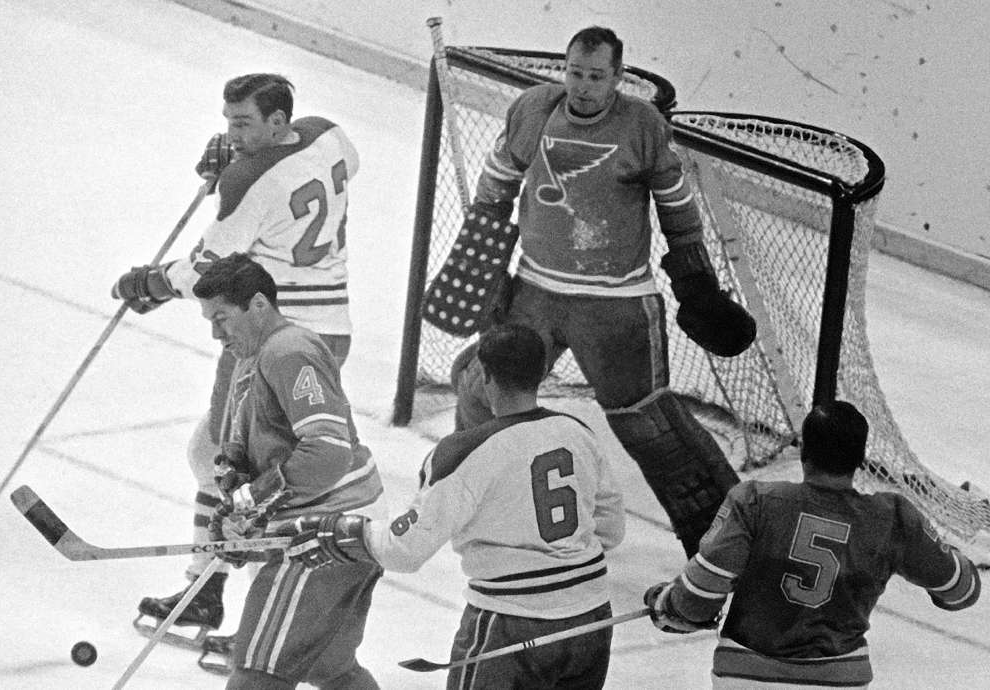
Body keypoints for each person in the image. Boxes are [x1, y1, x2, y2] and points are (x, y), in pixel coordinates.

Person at [443, 26, 756, 559]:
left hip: (616, 305)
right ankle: (474, 500)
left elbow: (678, 210)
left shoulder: (642, 126)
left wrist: (695, 281)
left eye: (596, 76)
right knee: (480, 385)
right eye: (575, 73)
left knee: (649, 425)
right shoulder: (533, 111)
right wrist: (484, 260)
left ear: (617, 76)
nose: (583, 86)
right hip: (536, 291)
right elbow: (496, 189)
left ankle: (728, 541)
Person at [110, 72, 360, 641]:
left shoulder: (249, 181)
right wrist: (242, 158)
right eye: (228, 122)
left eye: (243, 123)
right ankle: (213, 584)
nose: (232, 133)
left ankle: (221, 593)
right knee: (215, 453)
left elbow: (209, 270)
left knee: (230, 463)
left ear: (277, 121)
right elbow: (306, 174)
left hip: (269, 336)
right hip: (332, 328)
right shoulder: (330, 135)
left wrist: (152, 281)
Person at [284, 322, 627, 689]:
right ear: (542, 373)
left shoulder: (465, 453)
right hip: (591, 619)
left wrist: (345, 532)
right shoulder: (577, 432)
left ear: (484, 376)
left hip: (510, 623)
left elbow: (405, 551)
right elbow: (610, 528)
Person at [643, 401, 982, 688]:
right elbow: (962, 592)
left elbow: (697, 601)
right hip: (838, 680)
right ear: (860, 458)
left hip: (747, 677)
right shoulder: (892, 517)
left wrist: (666, 603)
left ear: (805, 450)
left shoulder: (754, 501)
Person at [190, 253, 381, 689]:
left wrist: (256, 501)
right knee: (328, 667)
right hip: (330, 523)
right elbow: (247, 444)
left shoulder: (290, 351)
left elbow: (327, 453)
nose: (215, 333)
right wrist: (237, 493)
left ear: (258, 305)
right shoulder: (254, 354)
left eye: (222, 318)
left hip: (328, 529)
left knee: (259, 673)